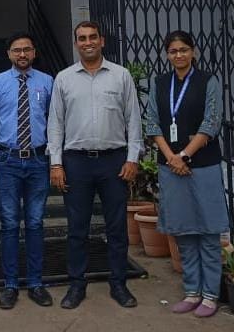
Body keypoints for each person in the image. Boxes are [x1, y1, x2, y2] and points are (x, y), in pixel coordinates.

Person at [47, 21, 142, 309]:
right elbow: (56, 124)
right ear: (76, 43)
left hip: (114, 161)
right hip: (76, 162)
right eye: (82, 38)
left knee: (116, 227)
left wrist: (132, 158)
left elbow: (133, 119)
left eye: (92, 37)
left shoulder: (121, 75)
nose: (87, 42)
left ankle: (119, 284)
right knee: (77, 229)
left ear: (102, 41)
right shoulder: (64, 79)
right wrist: (56, 164)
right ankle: (77, 285)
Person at [145, 30, 229, 318]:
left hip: (202, 164)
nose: (178, 55)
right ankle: (192, 291)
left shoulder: (208, 81)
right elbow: (152, 123)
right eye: (173, 51)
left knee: (207, 229)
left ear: (193, 52)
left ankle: (210, 295)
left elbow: (211, 122)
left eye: (183, 50)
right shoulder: (159, 83)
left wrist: (184, 155)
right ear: (167, 55)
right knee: (183, 231)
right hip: (170, 166)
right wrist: (171, 157)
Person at [0, 32, 54, 310]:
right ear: (9, 54)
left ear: (34, 52)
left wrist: (56, 160)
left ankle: (35, 283)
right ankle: (10, 284)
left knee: (35, 223)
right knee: (9, 223)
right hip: (6, 161)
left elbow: (55, 123)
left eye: (27, 49)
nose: (22, 54)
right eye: (16, 50)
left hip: (37, 161)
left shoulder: (48, 82)